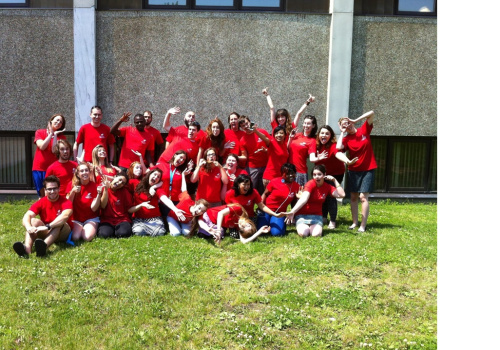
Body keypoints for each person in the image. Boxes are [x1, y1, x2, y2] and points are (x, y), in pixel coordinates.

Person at [310, 125, 358, 229]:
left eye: (327, 133)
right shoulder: (316, 145)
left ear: (331, 136)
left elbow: (338, 154)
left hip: (335, 174)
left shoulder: (332, 145)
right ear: (318, 135)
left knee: (331, 196)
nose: (324, 135)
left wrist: (348, 161)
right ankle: (323, 216)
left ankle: (332, 220)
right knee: (322, 194)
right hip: (321, 174)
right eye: (322, 133)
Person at [336, 110, 376, 233]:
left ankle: (363, 226)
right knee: (353, 197)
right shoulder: (346, 139)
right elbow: (338, 148)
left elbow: (372, 113)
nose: (347, 126)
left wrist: (355, 120)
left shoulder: (364, 129)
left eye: (347, 123)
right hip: (353, 170)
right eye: (344, 125)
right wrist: (342, 133)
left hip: (368, 169)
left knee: (363, 197)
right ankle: (354, 223)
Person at [13, 175, 73, 257]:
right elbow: (28, 215)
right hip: (47, 230)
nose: (52, 191)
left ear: (59, 189)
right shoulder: (41, 202)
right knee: (33, 221)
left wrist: (48, 226)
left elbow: (65, 216)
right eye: (49, 189)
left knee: (59, 223)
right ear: (45, 190)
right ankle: (27, 249)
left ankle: (43, 247)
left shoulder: (66, 202)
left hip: (63, 232)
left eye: (54, 188)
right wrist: (28, 227)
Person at [283, 164, 345, 238]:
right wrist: (292, 211)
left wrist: (334, 180)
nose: (316, 177)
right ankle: (303, 226)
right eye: (314, 175)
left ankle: (313, 228)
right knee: (304, 233)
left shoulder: (327, 187)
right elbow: (304, 198)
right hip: (302, 215)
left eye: (319, 174)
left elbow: (342, 195)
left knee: (316, 234)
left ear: (324, 175)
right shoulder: (310, 184)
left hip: (316, 216)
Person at [193, 203, 270, 244]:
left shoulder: (237, 226)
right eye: (247, 225)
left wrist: (260, 231)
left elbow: (244, 241)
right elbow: (220, 214)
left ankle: (204, 232)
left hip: (213, 224)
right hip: (207, 215)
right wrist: (219, 231)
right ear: (249, 221)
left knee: (213, 232)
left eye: (243, 228)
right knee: (215, 230)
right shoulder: (239, 210)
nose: (242, 225)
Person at [258, 163, 300, 236]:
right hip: (267, 210)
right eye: (287, 173)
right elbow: (265, 194)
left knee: (277, 233)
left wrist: (293, 215)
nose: (290, 175)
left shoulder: (296, 186)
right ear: (282, 174)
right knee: (261, 231)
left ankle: (275, 223)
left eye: (292, 173)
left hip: (279, 213)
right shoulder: (274, 181)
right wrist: (261, 207)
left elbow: (293, 202)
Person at [128, 168, 172, 237]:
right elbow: (122, 182)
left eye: (158, 177)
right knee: (138, 232)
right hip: (139, 218)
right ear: (149, 174)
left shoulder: (158, 189)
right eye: (154, 174)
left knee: (160, 233)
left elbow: (164, 198)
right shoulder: (136, 183)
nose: (156, 177)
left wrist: (154, 187)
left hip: (154, 218)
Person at [32, 114, 67, 197]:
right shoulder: (40, 132)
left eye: (61, 122)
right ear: (51, 120)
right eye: (57, 120)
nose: (58, 122)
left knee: (51, 194)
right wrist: (50, 134)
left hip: (52, 169)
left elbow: (54, 151)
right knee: (42, 195)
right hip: (39, 168)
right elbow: (42, 146)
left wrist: (54, 135)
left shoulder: (62, 137)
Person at [66, 163, 103, 242]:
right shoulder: (71, 185)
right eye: (81, 171)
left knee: (87, 237)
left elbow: (94, 208)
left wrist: (99, 194)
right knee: (76, 237)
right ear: (78, 174)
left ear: (90, 172)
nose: (84, 172)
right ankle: (80, 229)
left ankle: (88, 228)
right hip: (76, 219)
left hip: (91, 218)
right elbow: (68, 204)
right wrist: (72, 192)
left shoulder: (95, 186)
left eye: (86, 170)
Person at [238, 116, 271, 194]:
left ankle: (265, 205)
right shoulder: (243, 140)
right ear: (241, 128)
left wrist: (266, 150)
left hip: (266, 165)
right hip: (253, 168)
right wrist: (235, 157)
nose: (246, 126)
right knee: (252, 189)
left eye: (246, 123)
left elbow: (271, 144)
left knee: (266, 189)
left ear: (250, 122)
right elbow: (244, 156)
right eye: (243, 126)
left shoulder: (262, 131)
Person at [97, 173, 133, 239]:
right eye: (119, 180)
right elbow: (103, 206)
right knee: (104, 235)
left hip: (122, 219)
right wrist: (105, 189)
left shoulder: (125, 192)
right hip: (106, 219)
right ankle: (111, 230)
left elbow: (129, 208)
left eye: (122, 183)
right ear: (115, 177)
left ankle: (117, 230)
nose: (119, 183)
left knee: (123, 234)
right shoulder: (102, 187)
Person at [287, 115, 318, 186]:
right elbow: (288, 149)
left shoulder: (312, 140)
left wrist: (318, 158)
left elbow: (312, 158)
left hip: (300, 172)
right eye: (305, 123)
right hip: (289, 170)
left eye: (308, 123)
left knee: (299, 195)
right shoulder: (296, 135)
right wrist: (290, 138)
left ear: (313, 126)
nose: (306, 125)